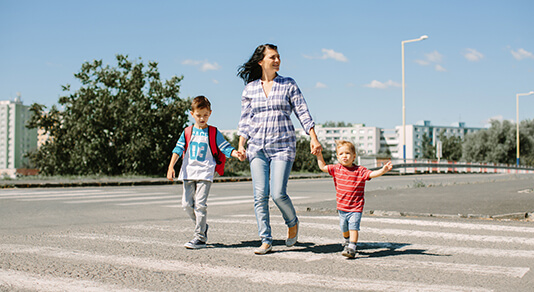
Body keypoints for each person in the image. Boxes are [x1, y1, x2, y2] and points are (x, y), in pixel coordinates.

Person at [237, 44, 322, 255]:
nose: (277, 60)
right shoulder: (250, 89)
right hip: (257, 147)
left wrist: (313, 137)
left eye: (278, 57)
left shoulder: (288, 84)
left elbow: (302, 111)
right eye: (272, 57)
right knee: (260, 195)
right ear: (261, 61)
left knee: (277, 193)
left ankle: (292, 222)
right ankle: (266, 239)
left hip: (283, 146)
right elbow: (245, 120)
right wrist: (241, 144)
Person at [167, 95, 245, 249]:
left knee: (200, 205)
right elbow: (178, 149)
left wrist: (236, 153)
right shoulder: (187, 132)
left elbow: (225, 147)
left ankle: (200, 237)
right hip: (188, 172)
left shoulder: (213, 132)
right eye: (198, 115)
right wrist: (171, 167)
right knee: (186, 204)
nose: (202, 118)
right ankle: (202, 226)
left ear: (210, 113)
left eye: (205, 115)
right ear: (192, 114)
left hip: (205, 173)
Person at [315, 140, 392, 258]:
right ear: (337, 157)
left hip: (356, 207)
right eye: (341, 154)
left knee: (353, 227)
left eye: (347, 153)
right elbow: (323, 167)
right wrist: (319, 155)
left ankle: (352, 247)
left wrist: (383, 170)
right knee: (343, 227)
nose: (344, 156)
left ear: (354, 156)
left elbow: (371, 174)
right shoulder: (336, 169)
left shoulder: (360, 171)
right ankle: (347, 240)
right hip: (342, 207)